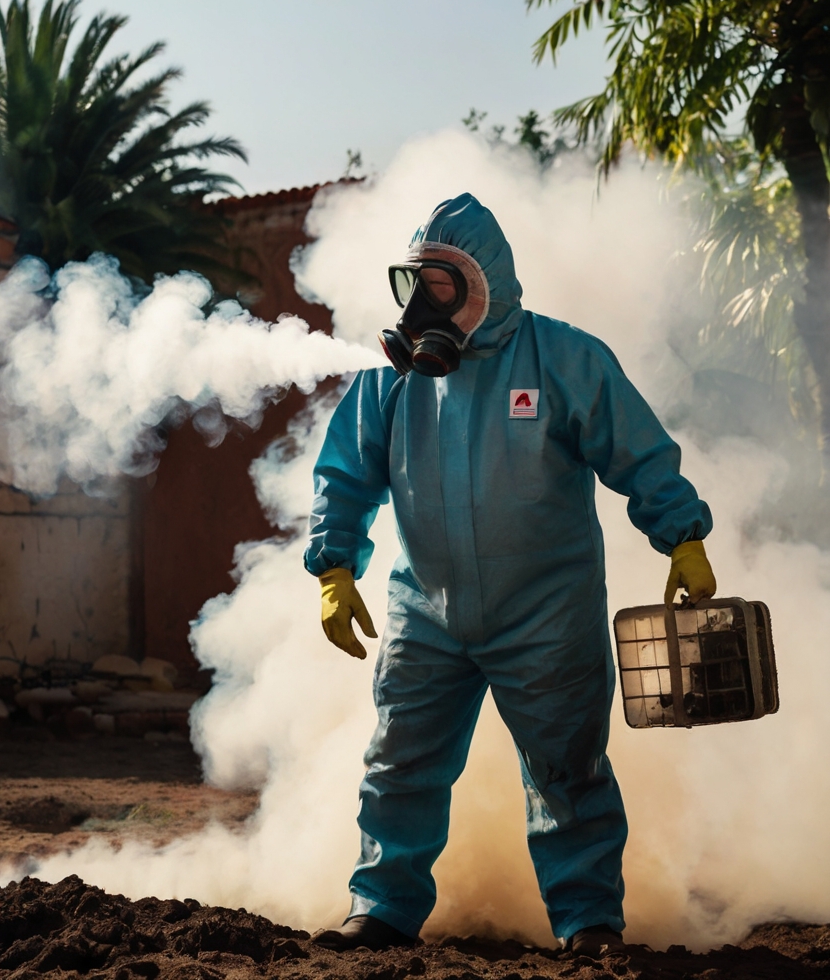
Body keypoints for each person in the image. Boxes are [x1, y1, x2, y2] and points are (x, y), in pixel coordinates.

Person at [304, 193, 716, 957]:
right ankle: (382, 907)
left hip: (547, 615)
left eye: (444, 283)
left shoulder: (565, 359)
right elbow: (344, 474)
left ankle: (589, 920)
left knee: (568, 769)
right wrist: (334, 566)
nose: (425, 301)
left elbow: (639, 453)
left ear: (486, 282)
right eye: (415, 282)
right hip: (425, 611)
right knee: (400, 761)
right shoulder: (388, 376)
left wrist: (681, 538)